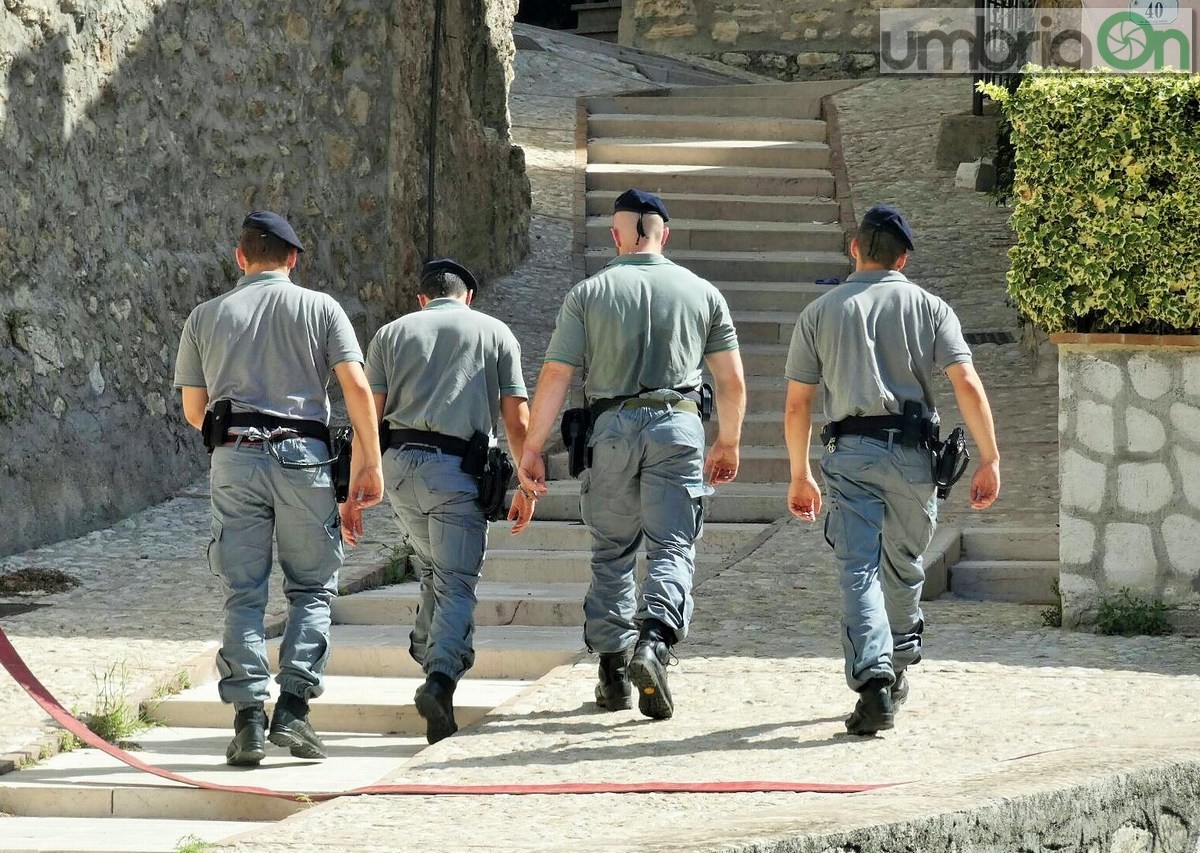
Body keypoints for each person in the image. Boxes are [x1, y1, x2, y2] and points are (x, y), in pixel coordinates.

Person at [517, 188, 746, 721]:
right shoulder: (702, 292)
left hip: (610, 429)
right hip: (679, 427)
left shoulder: (589, 293)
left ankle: (614, 674)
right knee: (672, 545)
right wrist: (728, 441)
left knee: (612, 553)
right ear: (664, 233)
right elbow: (731, 379)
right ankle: (655, 643)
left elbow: (556, 374)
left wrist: (532, 448)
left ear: (617, 235)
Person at [174, 211, 383, 766]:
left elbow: (195, 411)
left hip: (234, 458)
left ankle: (248, 722)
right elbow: (357, 388)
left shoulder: (204, 316)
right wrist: (369, 463)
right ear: (292, 259)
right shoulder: (320, 308)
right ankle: (292, 709)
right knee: (312, 588)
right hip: (304, 459)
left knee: (242, 591)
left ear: (240, 258)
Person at [783, 203, 1001, 736]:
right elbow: (966, 384)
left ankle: (874, 675)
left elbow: (797, 405)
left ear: (855, 248)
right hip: (913, 457)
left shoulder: (819, 312)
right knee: (904, 565)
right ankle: (897, 665)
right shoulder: (930, 307)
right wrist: (990, 456)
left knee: (857, 567)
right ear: (902, 258)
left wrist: (799, 472)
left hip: (850, 454)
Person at [341, 258, 535, 745]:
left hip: (401, 470)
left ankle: (428, 654)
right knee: (456, 581)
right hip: (456, 471)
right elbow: (517, 418)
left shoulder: (390, 334)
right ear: (467, 295)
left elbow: (370, 413)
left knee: (430, 567)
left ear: (422, 299)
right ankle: (441, 679)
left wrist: (353, 488)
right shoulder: (495, 333)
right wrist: (528, 483)